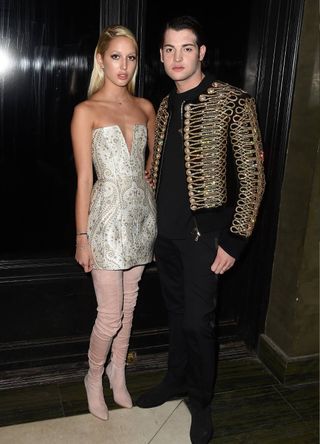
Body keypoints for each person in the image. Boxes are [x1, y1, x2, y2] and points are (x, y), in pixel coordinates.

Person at [135, 15, 265, 444]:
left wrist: (234, 238)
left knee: (198, 323)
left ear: (202, 52)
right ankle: (174, 380)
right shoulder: (167, 104)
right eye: (169, 49)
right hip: (167, 237)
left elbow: (253, 177)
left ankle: (201, 402)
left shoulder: (232, 101)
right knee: (176, 317)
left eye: (186, 48)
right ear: (160, 55)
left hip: (205, 238)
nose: (177, 57)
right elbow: (159, 170)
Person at [71, 25, 157, 421]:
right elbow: (85, 179)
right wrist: (82, 237)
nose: (124, 66)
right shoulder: (86, 112)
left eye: (131, 57)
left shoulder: (145, 107)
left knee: (131, 302)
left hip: (141, 218)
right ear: (101, 59)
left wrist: (149, 181)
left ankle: (117, 372)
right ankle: (92, 377)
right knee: (110, 313)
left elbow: (152, 164)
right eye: (116, 56)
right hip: (105, 221)